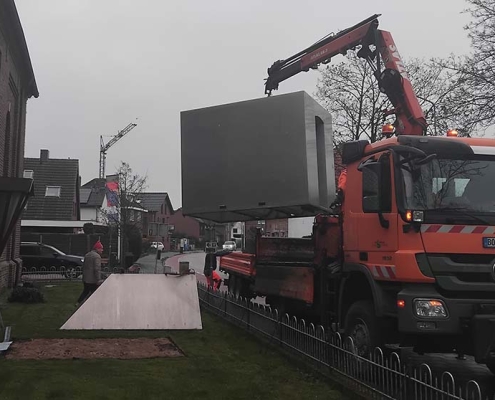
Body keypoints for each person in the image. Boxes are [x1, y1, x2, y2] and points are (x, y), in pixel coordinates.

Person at [76, 240, 103, 306]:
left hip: (86, 278)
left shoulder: (87, 255)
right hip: (92, 280)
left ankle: (78, 302)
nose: (102, 250)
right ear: (97, 249)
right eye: (101, 248)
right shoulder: (97, 257)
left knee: (86, 291)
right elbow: (97, 269)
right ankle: (92, 305)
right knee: (95, 293)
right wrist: (98, 279)